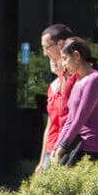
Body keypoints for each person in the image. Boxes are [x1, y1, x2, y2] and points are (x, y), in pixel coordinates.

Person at [52, 36, 98, 166]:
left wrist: (62, 148)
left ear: (76, 55)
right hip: (80, 146)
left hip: (96, 149)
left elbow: (80, 118)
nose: (63, 64)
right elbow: (70, 120)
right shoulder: (78, 81)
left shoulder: (95, 79)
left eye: (65, 59)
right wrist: (56, 147)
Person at [35, 22, 76, 172]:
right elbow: (50, 125)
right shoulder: (53, 86)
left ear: (60, 45)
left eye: (46, 47)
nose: (45, 53)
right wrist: (41, 162)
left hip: (68, 152)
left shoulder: (79, 82)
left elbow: (74, 119)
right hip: (50, 153)